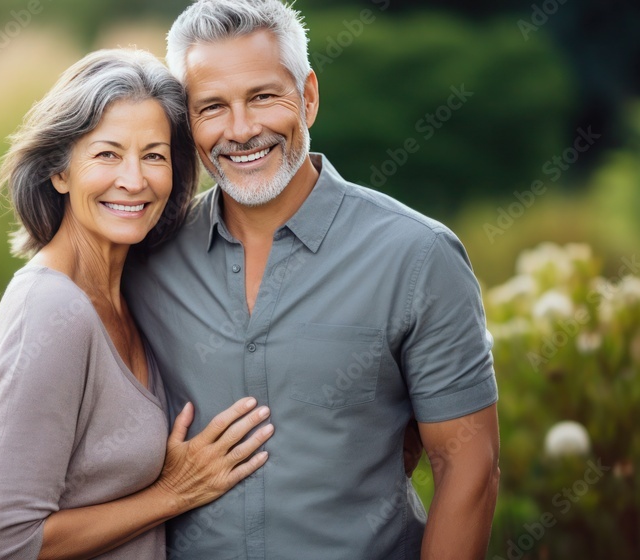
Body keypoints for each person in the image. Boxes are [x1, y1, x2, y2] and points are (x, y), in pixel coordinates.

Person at [122, 1, 501, 558]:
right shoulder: (147, 256)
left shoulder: (418, 257)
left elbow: (468, 466)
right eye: (212, 108)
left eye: (263, 97)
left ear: (310, 96)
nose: (242, 130)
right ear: (188, 125)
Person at [0, 48, 275, 560]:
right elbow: (7, 542)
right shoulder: (49, 310)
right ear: (60, 172)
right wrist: (173, 493)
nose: (134, 180)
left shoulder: (132, 290)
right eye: (107, 154)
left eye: (153, 155)